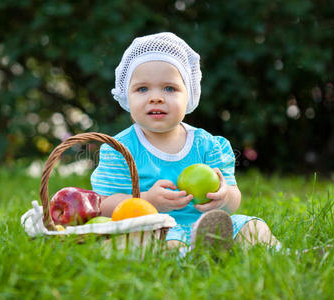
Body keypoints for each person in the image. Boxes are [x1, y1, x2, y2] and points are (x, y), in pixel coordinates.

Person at [90, 32, 280, 252]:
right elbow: (103, 204)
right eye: (142, 89)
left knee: (252, 226)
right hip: (154, 229)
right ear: (126, 95)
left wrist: (223, 197)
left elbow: (233, 199)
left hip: (207, 225)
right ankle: (192, 254)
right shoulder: (119, 149)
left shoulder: (208, 145)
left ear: (189, 95)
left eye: (169, 88)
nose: (156, 97)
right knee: (156, 243)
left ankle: (287, 255)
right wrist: (147, 200)